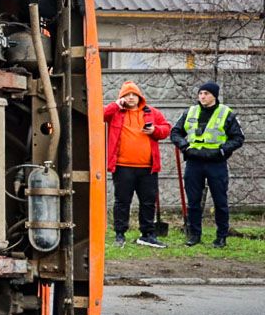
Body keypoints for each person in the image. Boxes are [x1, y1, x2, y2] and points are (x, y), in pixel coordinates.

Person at [170, 81, 245, 248]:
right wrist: (184, 146)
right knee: (193, 201)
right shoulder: (190, 112)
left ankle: (221, 237)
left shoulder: (226, 113)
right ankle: (194, 235)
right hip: (194, 161)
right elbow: (175, 132)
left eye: (206, 93)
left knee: (220, 201)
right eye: (201, 93)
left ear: (214, 96)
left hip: (216, 163)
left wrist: (222, 151)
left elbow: (238, 138)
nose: (202, 96)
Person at [104, 81, 171, 247]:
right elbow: (100, 116)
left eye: (134, 94)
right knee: (122, 201)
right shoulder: (115, 113)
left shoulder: (152, 113)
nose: (131, 97)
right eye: (127, 94)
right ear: (122, 97)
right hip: (122, 167)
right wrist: (115, 105)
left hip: (147, 167)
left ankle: (147, 234)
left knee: (148, 201)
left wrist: (155, 130)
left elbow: (166, 128)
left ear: (140, 96)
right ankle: (120, 234)